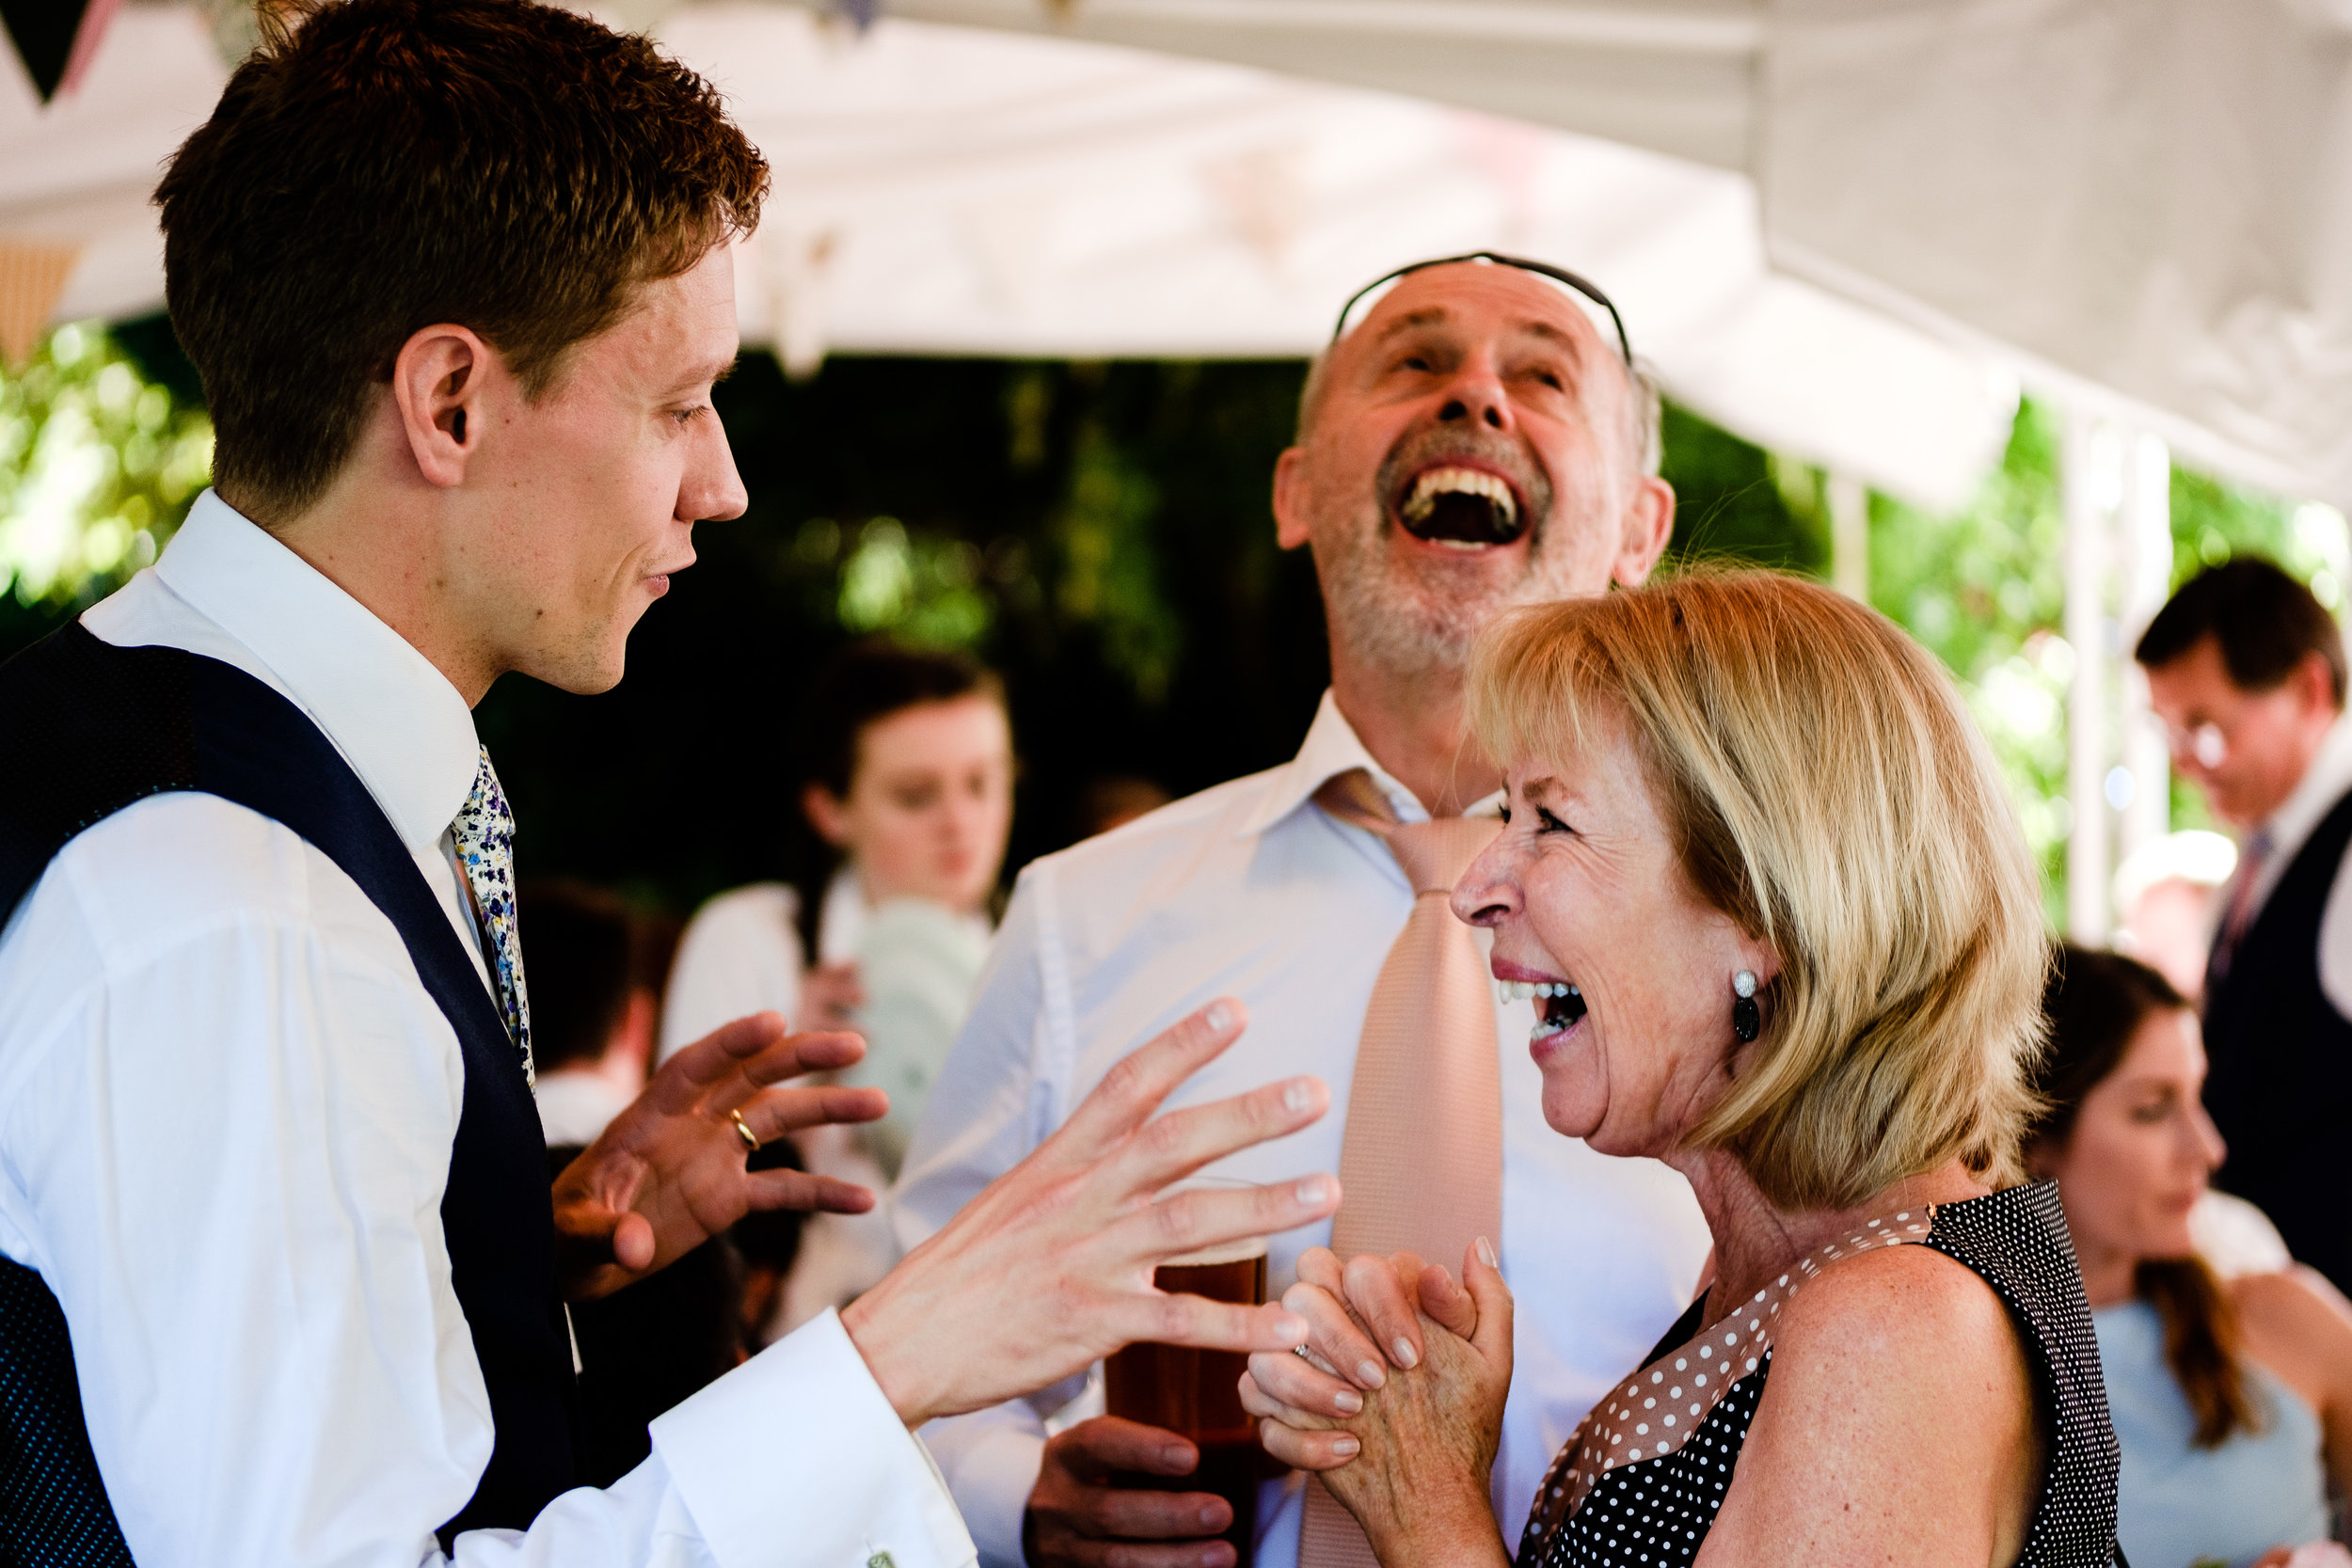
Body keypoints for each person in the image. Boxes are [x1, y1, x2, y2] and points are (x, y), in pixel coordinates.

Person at [0, 3, 1344, 1562]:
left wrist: (511, 1239)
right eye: (677, 401)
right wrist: (901, 1351)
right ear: (451, 402)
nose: (724, 484)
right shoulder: (236, 909)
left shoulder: (175, 754)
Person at [895, 253, 1711, 1568]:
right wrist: (1018, 1492)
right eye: (1414, 361)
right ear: (1295, 491)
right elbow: (903, 1345)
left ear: (1640, 530)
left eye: (1542, 375)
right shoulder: (1077, 921)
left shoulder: (1744, 947)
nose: (1477, 400)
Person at [1243, 573, 2121, 1565]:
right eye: (1504, 813)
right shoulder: (1794, 1269)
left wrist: (1429, 1504)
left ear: (1764, 907)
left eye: (1550, 821)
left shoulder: (1889, 1332)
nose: (1476, 886)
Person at [664, 638, 1014, 1334]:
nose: (960, 821)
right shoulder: (753, 940)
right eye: (916, 795)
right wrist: (782, 1081)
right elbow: (671, 1194)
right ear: (830, 808)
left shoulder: (1034, 952)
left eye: (983, 783)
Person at [2032, 943, 2352, 1568]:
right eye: (2152, 1109)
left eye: (2196, 1096)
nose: (2207, 1147)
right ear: (2037, 1131)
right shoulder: (1986, 1372)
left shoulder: (2279, 1314)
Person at [2137, 558, 2352, 1293]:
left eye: (2206, 728)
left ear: (2308, 689)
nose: (2185, 765)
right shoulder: (2254, 862)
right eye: (2169, 730)